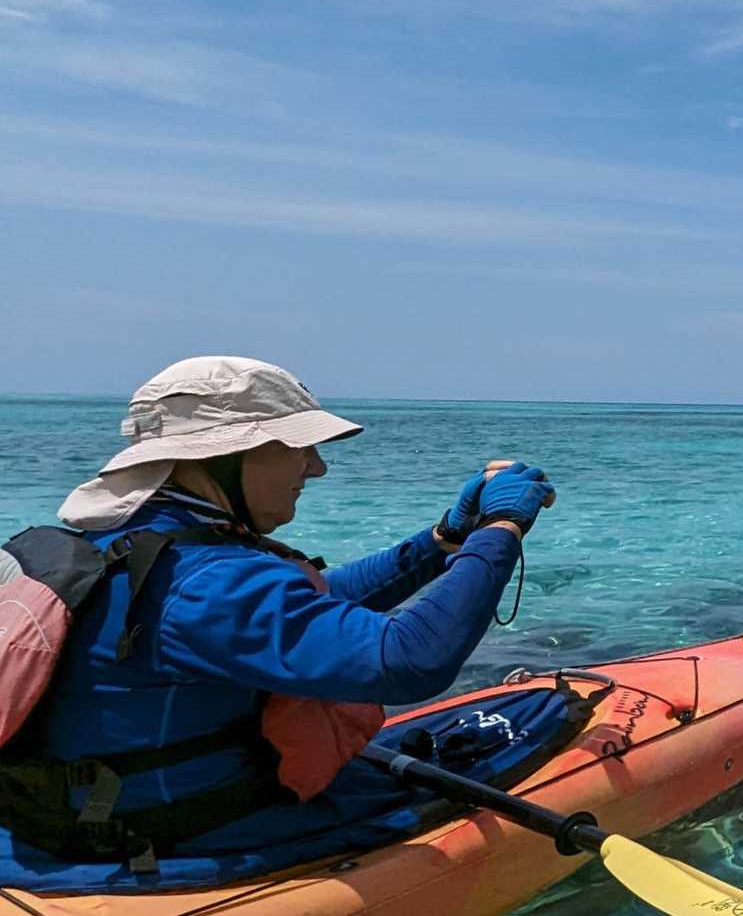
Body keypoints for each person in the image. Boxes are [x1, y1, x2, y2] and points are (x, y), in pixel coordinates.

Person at [0, 356, 555, 868]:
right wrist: (500, 530)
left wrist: (443, 541)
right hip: (171, 836)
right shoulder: (203, 581)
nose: (315, 468)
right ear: (221, 457)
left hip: (73, 818)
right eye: (297, 447)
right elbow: (408, 660)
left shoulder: (135, 545)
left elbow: (315, 608)